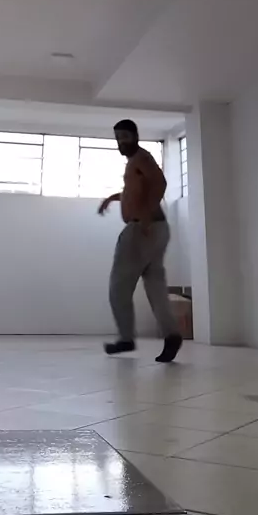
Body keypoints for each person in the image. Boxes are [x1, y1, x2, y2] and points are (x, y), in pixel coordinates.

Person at [98, 119, 182, 362]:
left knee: (118, 288)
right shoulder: (136, 162)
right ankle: (172, 335)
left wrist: (145, 215)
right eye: (118, 138)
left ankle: (126, 337)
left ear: (135, 136)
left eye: (125, 137)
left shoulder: (142, 158)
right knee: (156, 287)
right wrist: (113, 198)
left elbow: (160, 183)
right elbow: (137, 191)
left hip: (141, 231)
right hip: (157, 230)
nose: (121, 142)